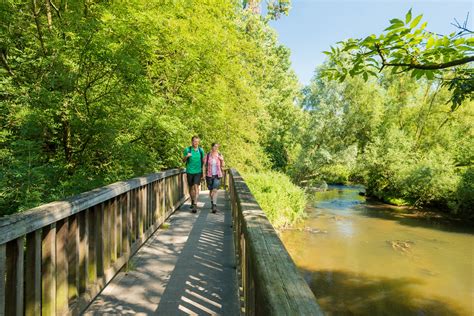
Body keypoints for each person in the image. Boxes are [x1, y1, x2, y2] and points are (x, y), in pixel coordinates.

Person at [183, 136, 205, 213]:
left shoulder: (201, 150)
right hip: (189, 171)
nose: (196, 143)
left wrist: (203, 172)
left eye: (197, 141)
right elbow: (183, 160)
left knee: (196, 187)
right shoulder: (187, 150)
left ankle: (195, 204)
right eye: (195, 141)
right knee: (191, 188)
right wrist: (187, 156)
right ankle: (192, 200)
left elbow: (203, 162)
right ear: (192, 142)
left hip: (198, 171)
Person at [203, 143, 224, 213]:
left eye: (217, 147)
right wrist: (203, 174)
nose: (216, 148)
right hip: (209, 175)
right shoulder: (208, 155)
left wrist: (222, 160)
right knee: (211, 190)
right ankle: (212, 203)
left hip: (217, 175)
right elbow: (204, 165)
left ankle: (214, 205)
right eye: (215, 146)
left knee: (215, 190)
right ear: (212, 147)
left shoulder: (219, 154)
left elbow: (223, 165)